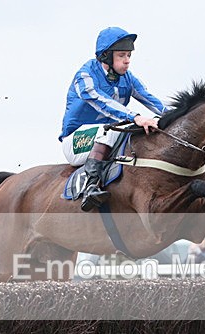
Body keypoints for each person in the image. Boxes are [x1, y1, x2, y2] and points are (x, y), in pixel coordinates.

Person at [59, 26, 169, 211]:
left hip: (108, 136)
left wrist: (178, 115)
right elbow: (103, 102)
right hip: (76, 141)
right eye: (121, 56)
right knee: (113, 128)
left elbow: (149, 98)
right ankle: (90, 186)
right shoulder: (85, 76)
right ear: (106, 56)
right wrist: (136, 117)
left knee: (136, 132)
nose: (127, 61)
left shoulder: (127, 78)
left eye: (129, 56)